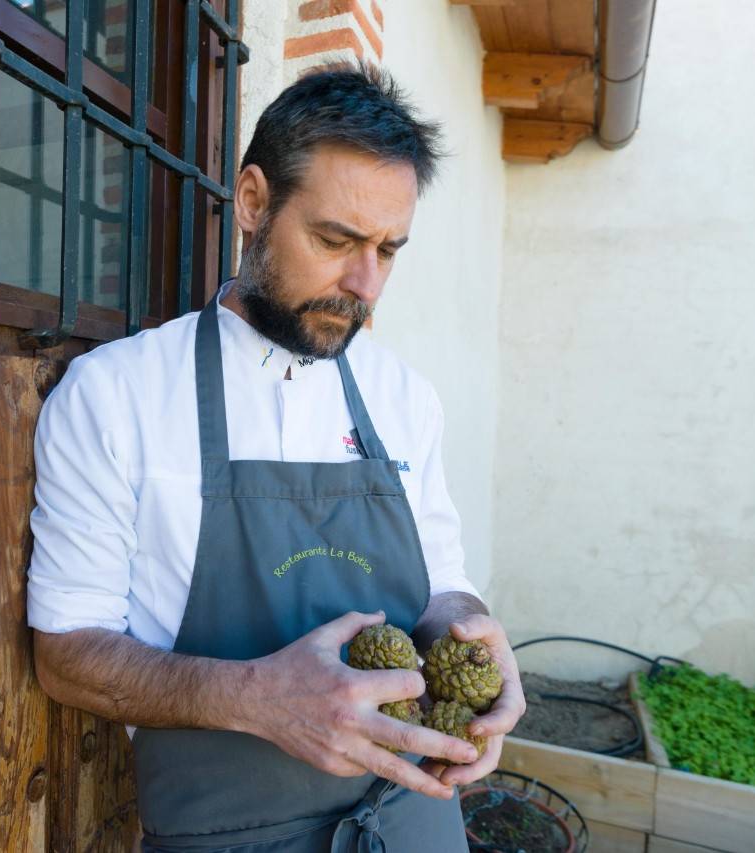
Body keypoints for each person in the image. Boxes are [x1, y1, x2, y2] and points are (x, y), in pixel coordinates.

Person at [26, 63, 526, 852]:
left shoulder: (405, 398)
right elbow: (65, 654)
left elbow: (442, 590)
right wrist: (255, 696)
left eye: (389, 250)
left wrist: (476, 636)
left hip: (415, 822)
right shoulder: (114, 396)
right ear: (253, 202)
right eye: (335, 240)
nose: (365, 284)